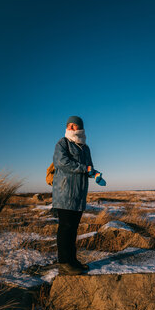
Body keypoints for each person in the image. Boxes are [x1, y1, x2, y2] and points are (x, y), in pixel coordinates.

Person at [52, 116, 106, 275]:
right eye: (69, 126)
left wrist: (95, 174)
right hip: (64, 193)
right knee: (65, 228)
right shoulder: (63, 143)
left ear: (81, 128)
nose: (71, 128)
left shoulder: (85, 148)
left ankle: (72, 260)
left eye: (74, 126)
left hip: (79, 194)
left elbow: (89, 167)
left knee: (73, 229)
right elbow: (61, 162)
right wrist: (85, 169)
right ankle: (64, 262)